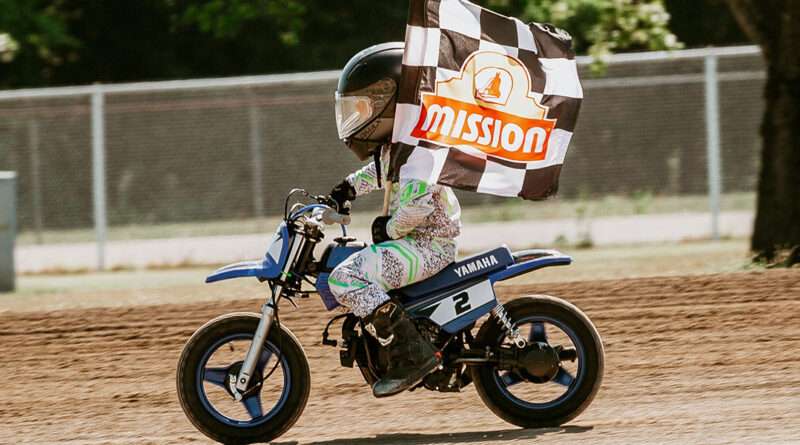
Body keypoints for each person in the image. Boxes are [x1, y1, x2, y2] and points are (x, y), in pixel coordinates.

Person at [327, 42, 462, 397]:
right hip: (418, 242)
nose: (355, 118)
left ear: (388, 102)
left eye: (361, 109)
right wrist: (347, 189)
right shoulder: (398, 145)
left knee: (345, 277)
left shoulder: (418, 147)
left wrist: (389, 229)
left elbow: (415, 206)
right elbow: (379, 174)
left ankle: (412, 354)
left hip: (427, 245)